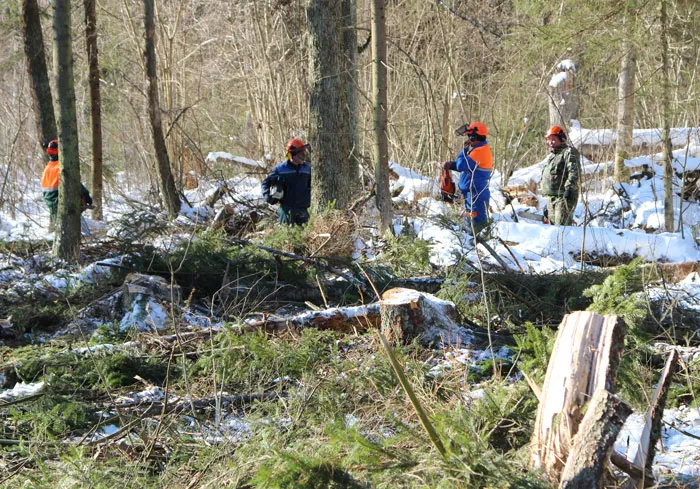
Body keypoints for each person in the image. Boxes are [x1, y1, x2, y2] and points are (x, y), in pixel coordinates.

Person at [443, 121, 493, 235]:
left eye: (470, 136)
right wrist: (451, 165)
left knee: (477, 225)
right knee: (471, 221)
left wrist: (464, 150)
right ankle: (474, 242)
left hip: (476, 193)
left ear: (474, 136)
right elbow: (466, 166)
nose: (469, 139)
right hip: (473, 193)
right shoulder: (479, 149)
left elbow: (462, 165)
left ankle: (479, 245)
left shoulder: (480, 151)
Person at [40, 139, 93, 231]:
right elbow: (73, 183)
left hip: (51, 201)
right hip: (59, 200)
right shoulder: (61, 167)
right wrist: (85, 194)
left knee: (61, 229)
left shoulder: (48, 167)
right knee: (68, 229)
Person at [261, 138, 312, 225]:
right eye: (301, 152)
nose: (303, 155)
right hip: (286, 210)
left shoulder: (307, 168)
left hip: (303, 210)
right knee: (287, 236)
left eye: (303, 152)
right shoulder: (280, 169)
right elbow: (265, 183)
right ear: (293, 154)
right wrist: (268, 196)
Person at [539, 125, 581, 226]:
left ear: (561, 139)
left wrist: (569, 189)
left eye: (553, 139)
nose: (550, 142)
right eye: (549, 140)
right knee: (553, 230)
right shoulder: (553, 156)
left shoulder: (568, 152)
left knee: (561, 229)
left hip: (563, 197)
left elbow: (574, 171)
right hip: (553, 198)